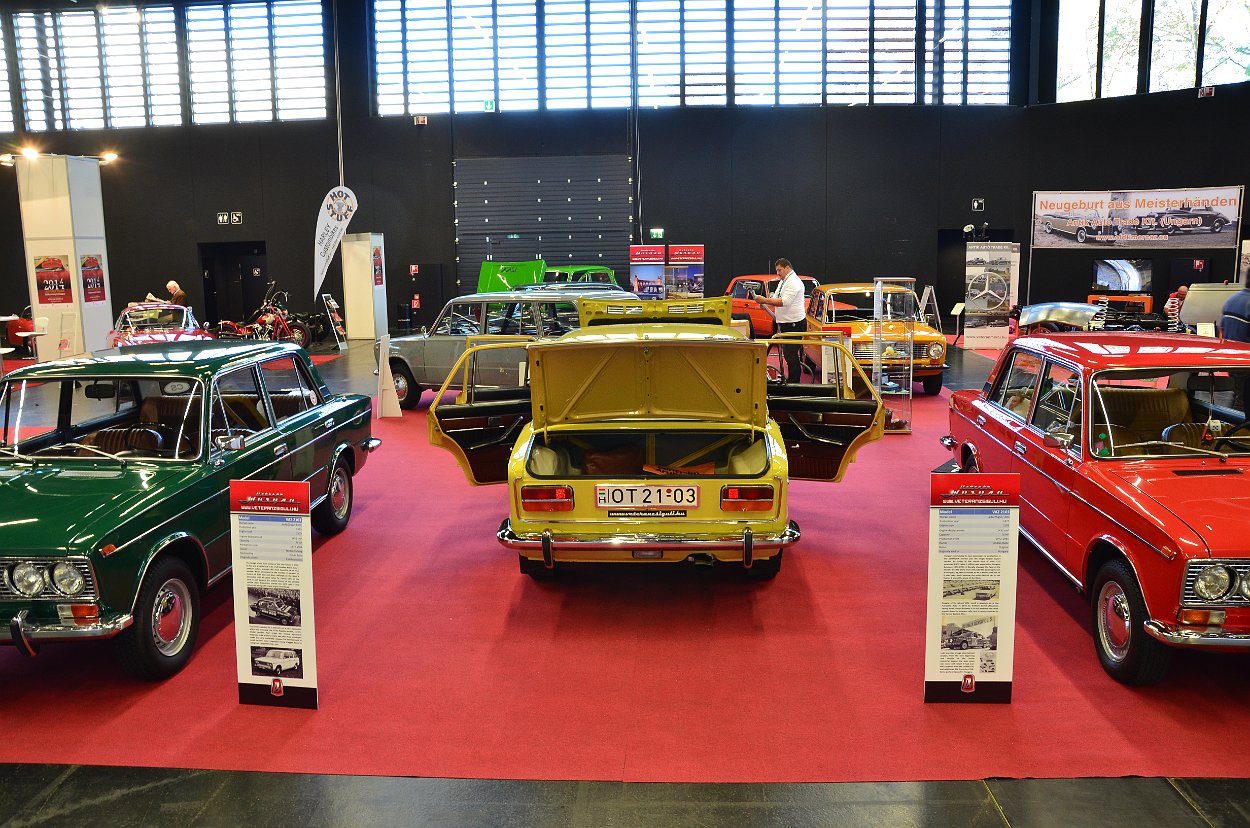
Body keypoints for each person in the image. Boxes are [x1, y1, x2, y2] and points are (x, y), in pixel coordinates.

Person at [751, 258, 807, 383]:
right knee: (788, 354)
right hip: (785, 324)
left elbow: (784, 302)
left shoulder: (793, 282)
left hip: (793, 325)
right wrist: (766, 303)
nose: (777, 273)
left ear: (787, 268)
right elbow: (776, 297)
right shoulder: (783, 281)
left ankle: (794, 383)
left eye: (779, 270)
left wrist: (765, 300)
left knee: (791, 355)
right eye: (776, 270)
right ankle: (792, 381)